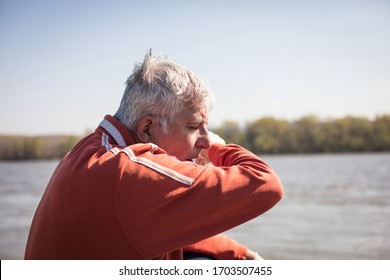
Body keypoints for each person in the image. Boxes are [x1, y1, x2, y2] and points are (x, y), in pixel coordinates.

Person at [25, 51, 284, 260]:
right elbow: (265, 183)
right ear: (147, 128)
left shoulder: (94, 150)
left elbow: (158, 220)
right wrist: (218, 148)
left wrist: (237, 253)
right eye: (194, 127)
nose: (204, 138)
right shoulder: (126, 171)